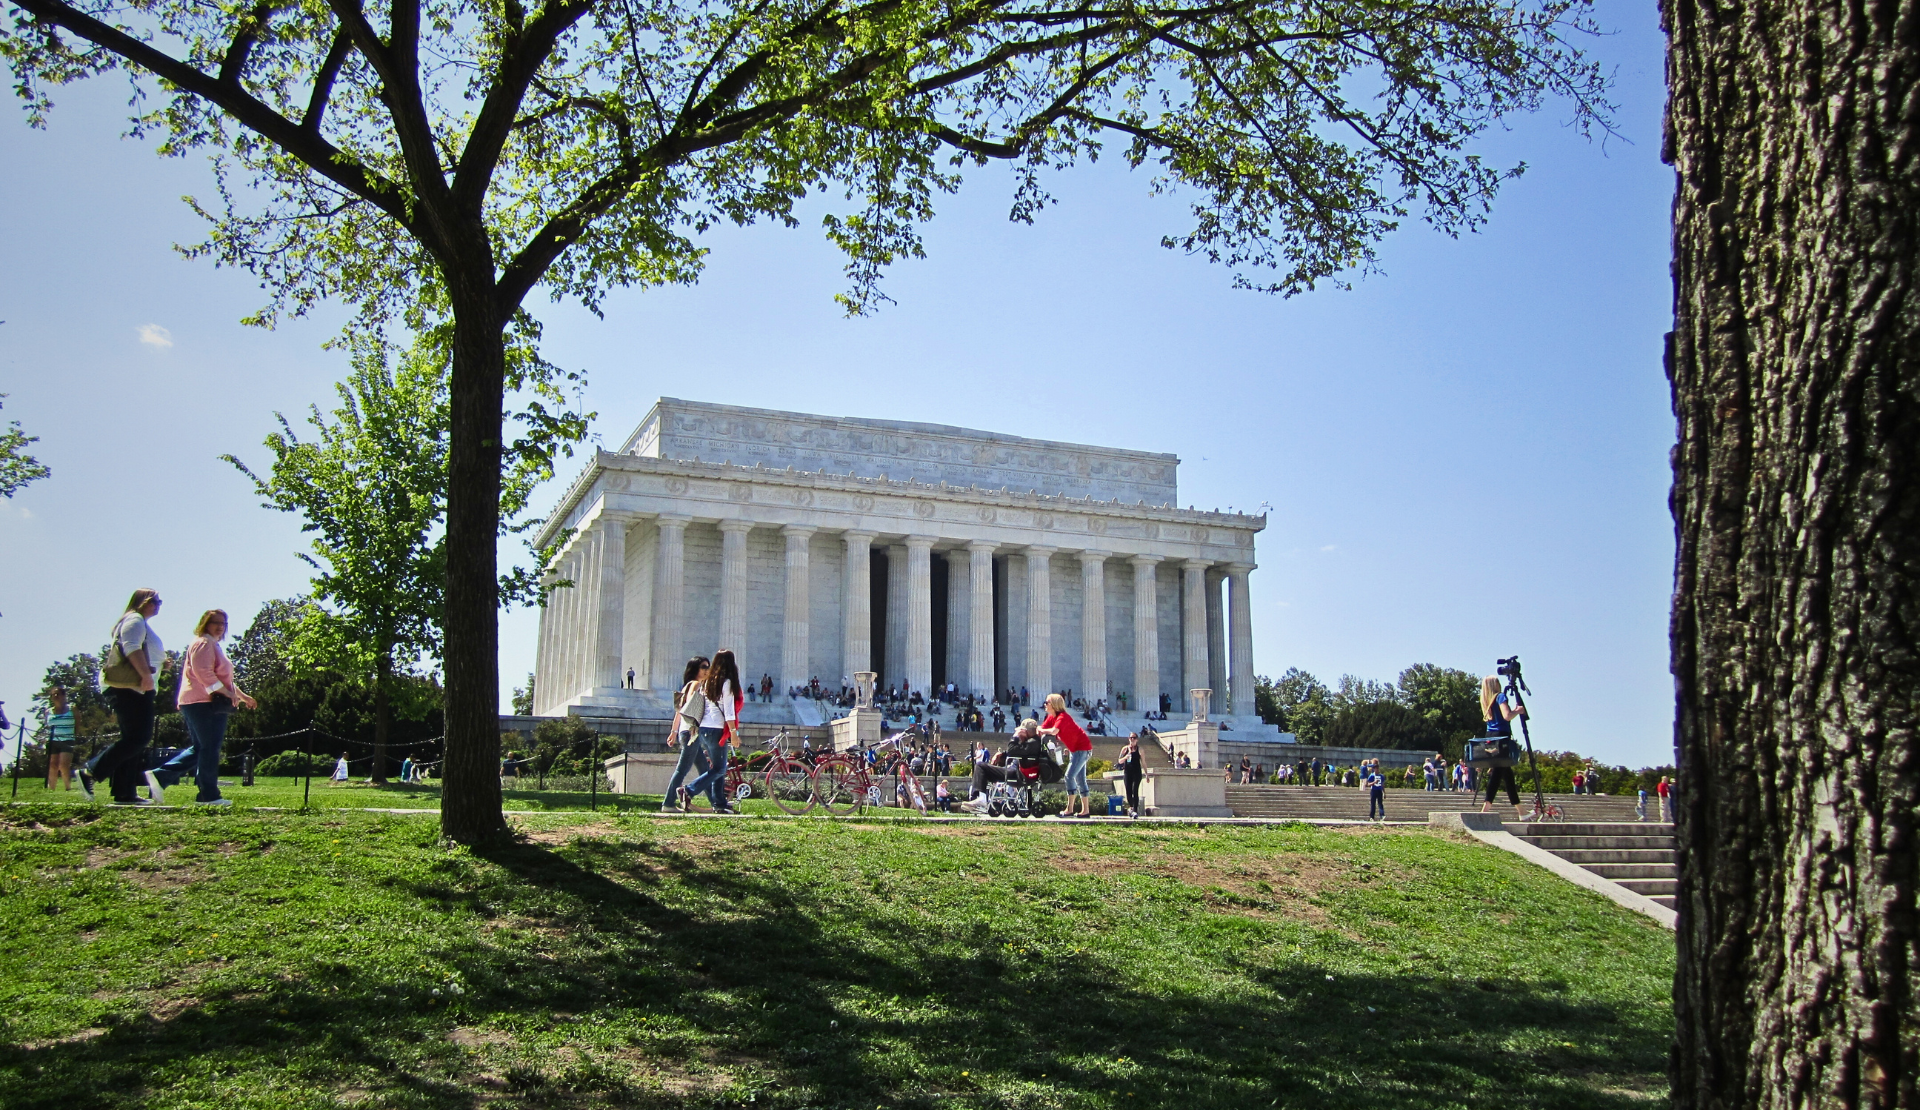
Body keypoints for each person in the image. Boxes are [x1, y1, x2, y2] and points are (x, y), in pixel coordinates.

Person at [82, 589, 168, 805]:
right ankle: (90, 771)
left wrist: (161, 664)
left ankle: (124, 792)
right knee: (138, 738)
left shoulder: (140, 622)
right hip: (130, 687)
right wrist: (145, 675)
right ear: (143, 602)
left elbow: (141, 650)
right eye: (156, 601)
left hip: (136, 688)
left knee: (133, 739)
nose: (159, 605)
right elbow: (131, 647)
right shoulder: (134, 619)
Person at [175, 609, 256, 806]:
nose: (220, 626)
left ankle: (160, 776)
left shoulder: (212, 644)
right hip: (203, 702)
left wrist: (241, 696)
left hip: (201, 701)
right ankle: (208, 795)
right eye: (215, 622)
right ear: (205, 623)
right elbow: (204, 674)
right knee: (210, 748)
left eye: (223, 623)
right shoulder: (204, 643)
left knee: (202, 748)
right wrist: (227, 693)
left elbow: (223, 679)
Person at [686, 648, 743, 813]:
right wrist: (734, 733)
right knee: (720, 769)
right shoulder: (727, 683)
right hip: (717, 729)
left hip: (704, 729)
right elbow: (729, 712)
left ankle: (719, 804)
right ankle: (689, 790)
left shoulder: (707, 682)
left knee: (718, 768)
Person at [960, 719, 1046, 813]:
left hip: (1017, 774)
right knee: (983, 771)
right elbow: (1016, 752)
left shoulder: (1033, 743)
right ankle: (978, 798)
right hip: (1016, 771)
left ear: (1025, 731)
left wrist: (1015, 736)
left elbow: (1012, 751)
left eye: (1021, 731)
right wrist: (1002, 754)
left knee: (980, 766)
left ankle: (981, 800)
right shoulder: (1032, 741)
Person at [663, 656, 712, 812]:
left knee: (705, 770)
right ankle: (668, 803)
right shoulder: (696, 685)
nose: (707, 670)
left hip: (685, 731)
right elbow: (691, 703)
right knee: (682, 770)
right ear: (695, 669)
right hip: (691, 732)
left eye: (708, 667)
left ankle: (717, 803)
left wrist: (673, 732)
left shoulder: (686, 686)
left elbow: (678, 712)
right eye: (703, 667)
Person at [1039, 693, 1094, 817]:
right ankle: (1085, 811)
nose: (1045, 704)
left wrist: (1040, 730)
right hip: (1075, 750)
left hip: (1082, 749)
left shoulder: (1062, 717)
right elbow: (1043, 728)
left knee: (1069, 776)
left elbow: (1053, 731)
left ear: (1054, 705)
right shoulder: (1051, 717)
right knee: (1080, 779)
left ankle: (1069, 809)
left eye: (1047, 702)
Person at [1478, 675, 1526, 812]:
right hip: (1501, 736)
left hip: (1490, 736)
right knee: (1498, 772)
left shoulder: (1486, 701)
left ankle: (1521, 811)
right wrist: (1518, 710)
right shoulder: (1500, 697)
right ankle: (1486, 806)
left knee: (1507, 774)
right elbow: (1507, 716)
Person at [43, 687, 76, 791]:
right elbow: (46, 726)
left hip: (67, 740)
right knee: (52, 765)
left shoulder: (72, 709)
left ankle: (68, 787)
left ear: (64, 696)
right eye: (54, 694)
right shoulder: (48, 712)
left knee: (63, 765)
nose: (56, 696)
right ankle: (51, 789)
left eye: (58, 694)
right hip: (52, 740)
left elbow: (78, 723)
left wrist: (74, 736)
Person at [1116, 732, 1145, 818]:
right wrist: (1126, 757)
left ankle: (1135, 810)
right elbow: (1119, 761)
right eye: (1131, 738)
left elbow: (1143, 762)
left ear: (1137, 739)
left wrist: (1146, 774)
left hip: (1137, 772)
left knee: (1135, 790)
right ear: (1129, 739)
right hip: (1128, 772)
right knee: (1128, 791)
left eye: (1134, 738)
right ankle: (1131, 807)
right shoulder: (1125, 749)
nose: (1132, 740)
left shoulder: (1140, 749)